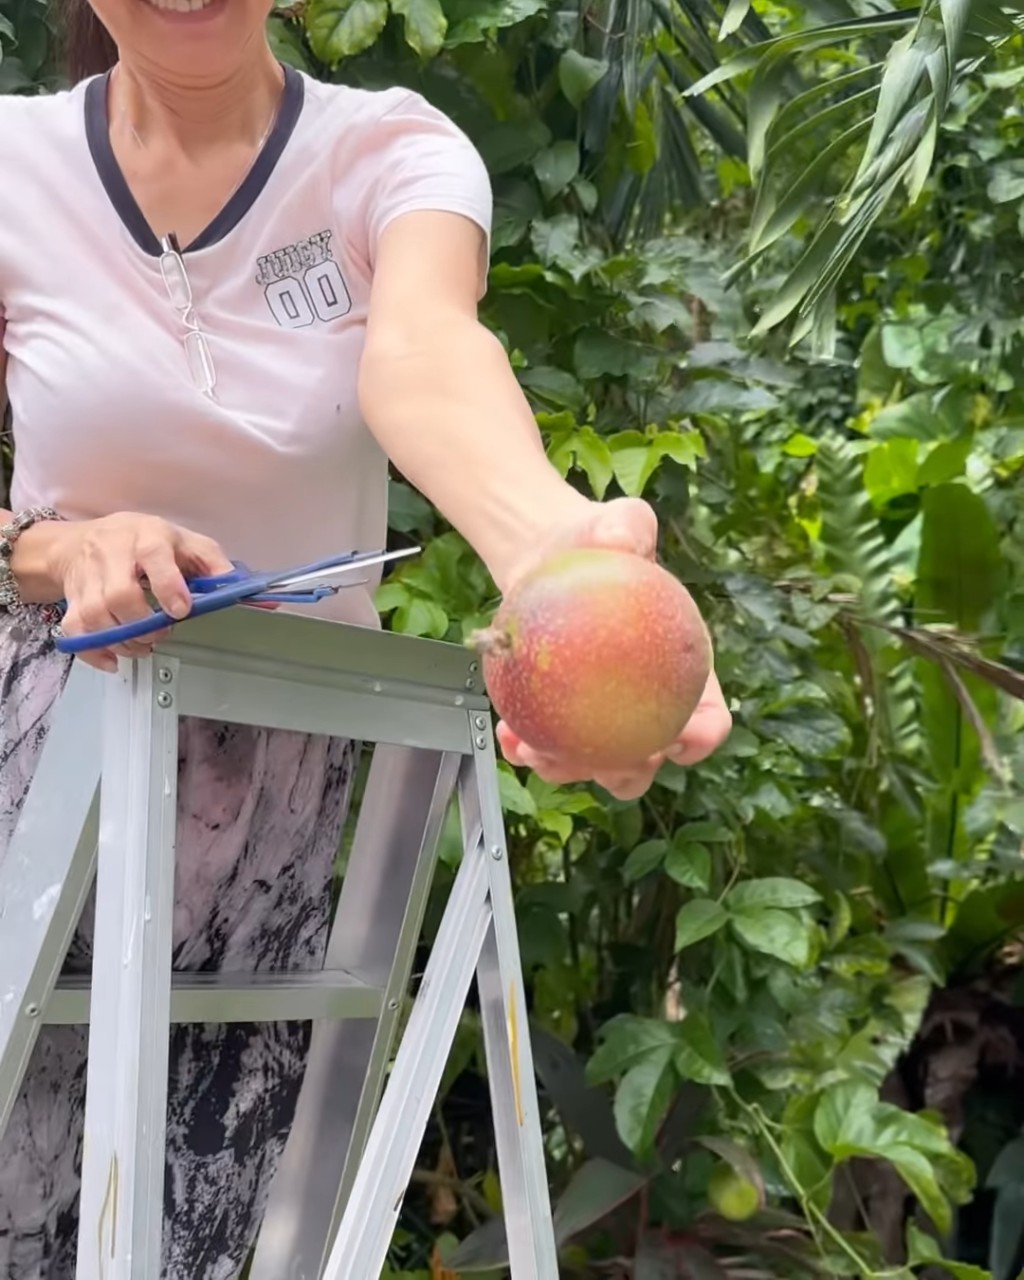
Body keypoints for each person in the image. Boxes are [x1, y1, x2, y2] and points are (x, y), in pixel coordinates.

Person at [0, 0, 733, 1271]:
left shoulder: (391, 150)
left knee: (201, 1225)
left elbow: (424, 358)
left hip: (278, 789)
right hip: (46, 748)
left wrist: (560, 564)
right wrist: (64, 547)